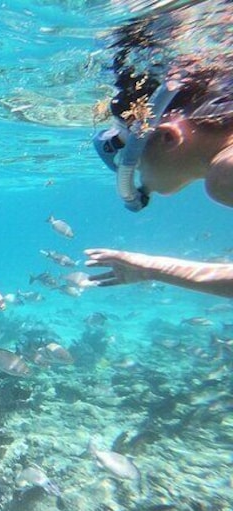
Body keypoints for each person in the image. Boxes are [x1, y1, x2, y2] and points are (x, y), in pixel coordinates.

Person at [86, 9, 233, 298]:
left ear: (168, 136)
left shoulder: (224, 175)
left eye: (137, 164)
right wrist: (153, 268)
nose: (141, 178)